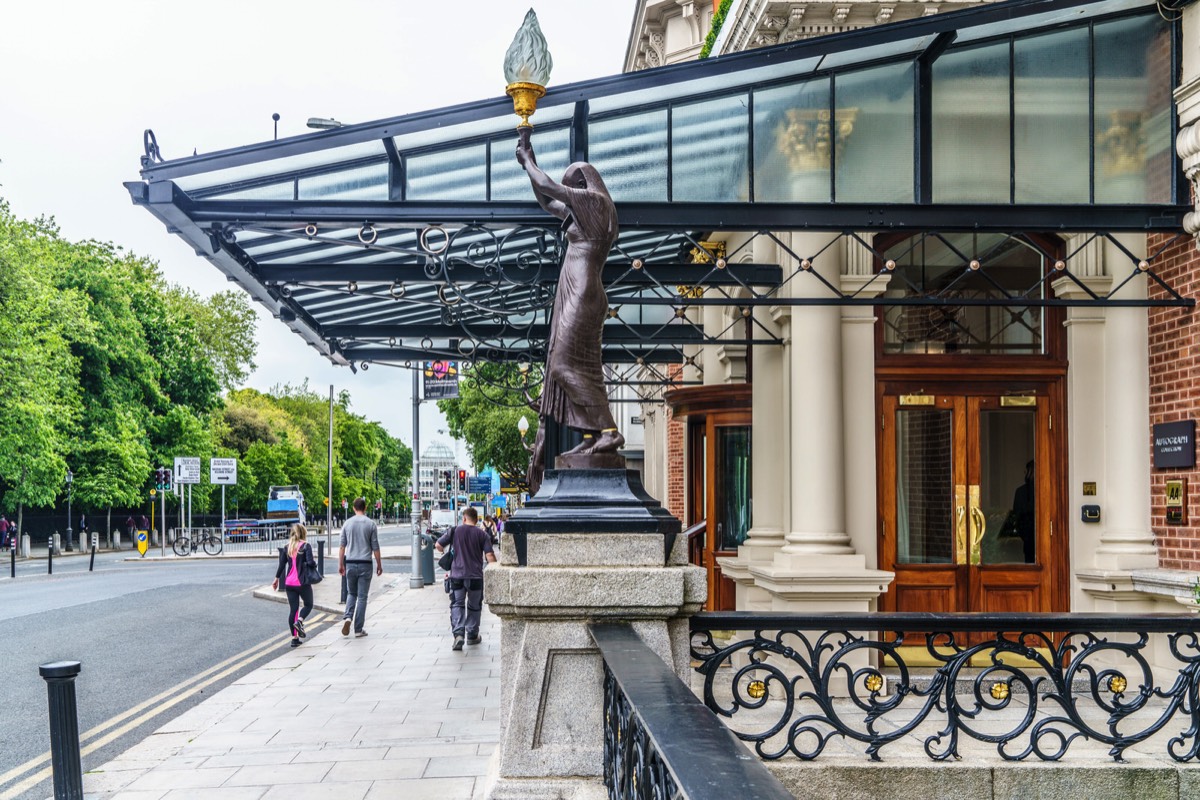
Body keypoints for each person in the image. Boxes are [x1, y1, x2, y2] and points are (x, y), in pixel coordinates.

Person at [516, 134, 624, 464]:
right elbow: (548, 201)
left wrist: (528, 163)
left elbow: (549, 187)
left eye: (572, 185)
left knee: (563, 363)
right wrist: (528, 165)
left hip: (583, 291)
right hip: (578, 289)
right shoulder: (583, 212)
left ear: (584, 181)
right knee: (582, 366)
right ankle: (593, 435)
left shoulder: (597, 205)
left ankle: (609, 431)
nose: (570, 193)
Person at [435, 506, 496, 651]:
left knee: (457, 604)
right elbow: (490, 557)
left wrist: (447, 552)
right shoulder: (482, 535)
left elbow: (438, 545)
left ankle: (458, 635)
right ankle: (472, 635)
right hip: (475, 577)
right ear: (476, 520)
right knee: (474, 606)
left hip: (457, 576)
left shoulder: (454, 531)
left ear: (464, 518)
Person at [338, 497, 382, 638]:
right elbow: (375, 547)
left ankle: (347, 617)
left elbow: (342, 547)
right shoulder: (371, 524)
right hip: (365, 563)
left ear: (353, 508)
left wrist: (341, 564)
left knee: (351, 593)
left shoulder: (347, 523)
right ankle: (358, 629)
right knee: (362, 597)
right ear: (365, 507)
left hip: (350, 562)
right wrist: (379, 565)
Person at [272, 524, 319, 648]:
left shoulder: (287, 547)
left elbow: (281, 565)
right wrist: (314, 564)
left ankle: (294, 639)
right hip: (302, 582)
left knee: (294, 610)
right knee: (308, 604)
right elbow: (310, 562)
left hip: (289, 583)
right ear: (303, 533)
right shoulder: (305, 546)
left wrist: (276, 579)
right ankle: (300, 621)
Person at [1010, 460, 1036, 564]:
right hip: (1030, 537)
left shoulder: (1021, 491)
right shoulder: (1022, 491)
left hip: (1028, 538)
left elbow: (1016, 516)